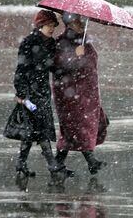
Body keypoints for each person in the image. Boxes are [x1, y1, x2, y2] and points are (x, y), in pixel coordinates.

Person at [12, 9, 67, 182]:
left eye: (54, 25)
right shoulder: (29, 42)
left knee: (31, 131)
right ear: (40, 25)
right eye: (49, 25)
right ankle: (52, 165)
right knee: (40, 128)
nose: (52, 28)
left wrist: (63, 69)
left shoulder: (50, 43)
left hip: (43, 91)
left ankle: (21, 163)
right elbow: (21, 69)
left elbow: (51, 67)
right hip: (29, 92)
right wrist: (21, 93)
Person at [52, 12, 108, 175]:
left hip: (87, 93)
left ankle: (59, 164)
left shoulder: (84, 40)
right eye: (78, 22)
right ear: (69, 23)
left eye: (83, 21)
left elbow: (90, 63)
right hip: (71, 95)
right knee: (76, 128)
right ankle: (90, 162)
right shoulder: (62, 43)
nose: (82, 24)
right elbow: (58, 67)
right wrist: (75, 58)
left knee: (78, 128)